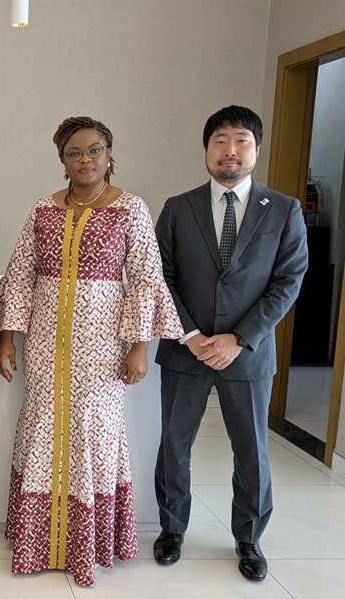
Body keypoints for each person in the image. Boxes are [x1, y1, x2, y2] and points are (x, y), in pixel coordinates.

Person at [0, 116, 183, 587]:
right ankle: (38, 541)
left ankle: (87, 543)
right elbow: (21, 275)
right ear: (62, 160)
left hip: (102, 346)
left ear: (109, 154)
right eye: (74, 153)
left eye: (94, 150)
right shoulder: (43, 208)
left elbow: (145, 280)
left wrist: (140, 347)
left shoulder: (130, 208)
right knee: (42, 430)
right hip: (45, 345)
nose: (85, 160)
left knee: (94, 434)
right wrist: (9, 338)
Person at [153, 105, 308, 581]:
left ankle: (249, 538)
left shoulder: (283, 209)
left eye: (241, 140)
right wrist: (192, 335)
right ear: (206, 149)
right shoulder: (178, 208)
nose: (230, 151)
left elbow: (288, 281)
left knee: (251, 450)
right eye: (220, 141)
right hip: (187, 350)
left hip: (248, 353)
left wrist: (239, 338)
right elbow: (160, 278)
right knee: (174, 445)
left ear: (256, 150)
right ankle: (172, 529)